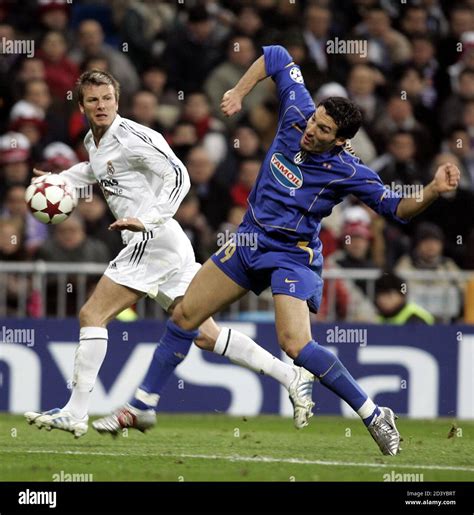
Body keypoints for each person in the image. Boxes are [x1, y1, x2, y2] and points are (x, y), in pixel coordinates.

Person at [98, 46, 460, 456]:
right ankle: (142, 406)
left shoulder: (349, 172)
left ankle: (375, 413)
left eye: (324, 131)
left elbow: (397, 209)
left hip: (292, 255)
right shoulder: (297, 112)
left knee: (296, 346)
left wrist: (430, 191)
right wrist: (238, 90)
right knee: (184, 316)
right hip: (250, 240)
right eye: (314, 121)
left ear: (340, 141)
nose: (311, 130)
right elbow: (276, 56)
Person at [24, 69, 315, 438]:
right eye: (93, 100)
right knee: (203, 334)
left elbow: (179, 176)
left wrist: (147, 219)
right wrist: (61, 180)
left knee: (92, 314)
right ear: (81, 105)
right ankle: (290, 375)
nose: (101, 106)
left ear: (118, 101)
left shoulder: (133, 137)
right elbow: (98, 171)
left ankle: (76, 412)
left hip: (152, 238)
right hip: (168, 244)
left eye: (107, 99)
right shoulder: (95, 141)